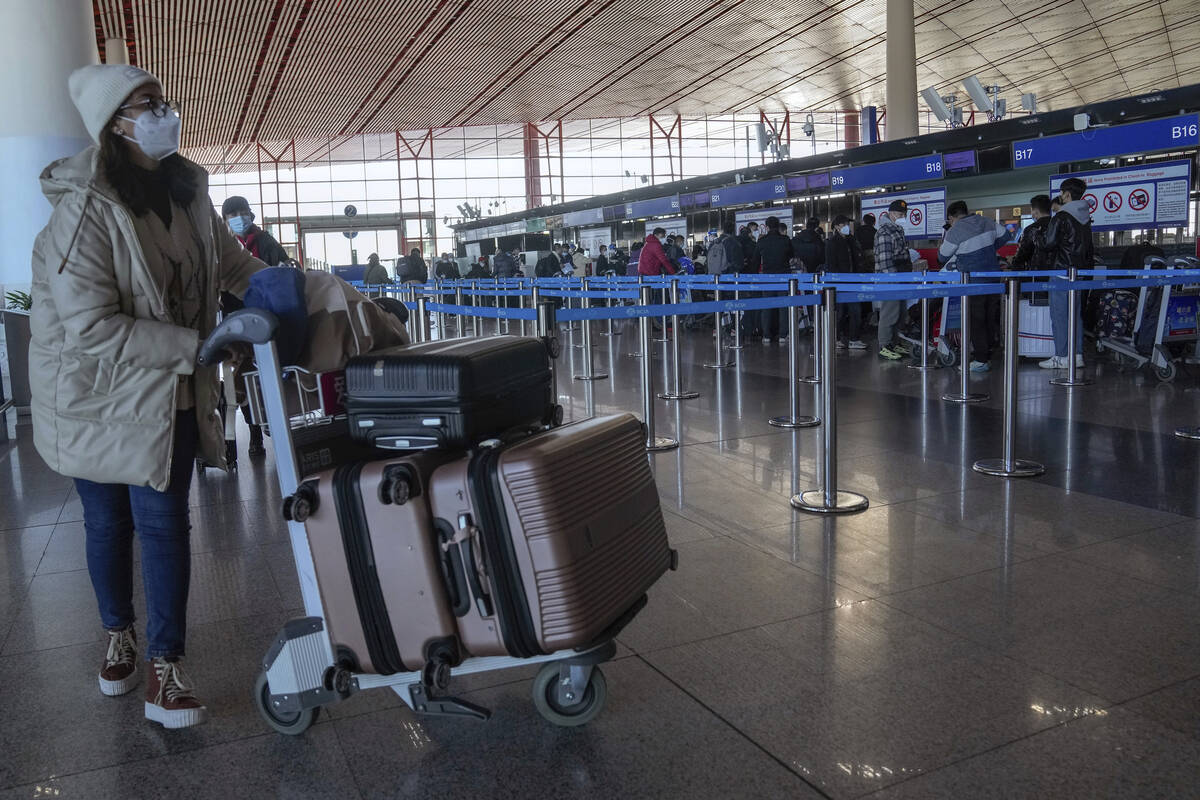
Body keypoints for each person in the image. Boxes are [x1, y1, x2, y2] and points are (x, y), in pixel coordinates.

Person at [30, 65, 270, 729]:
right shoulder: (84, 209)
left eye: (164, 100)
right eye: (145, 105)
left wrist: (283, 294)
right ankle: (119, 635)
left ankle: (167, 669)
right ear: (114, 123)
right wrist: (196, 349)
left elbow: (234, 264)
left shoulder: (189, 190)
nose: (163, 113)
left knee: (165, 524)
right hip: (95, 398)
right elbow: (90, 327)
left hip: (169, 393)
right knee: (108, 522)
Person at [938, 200, 1011, 371]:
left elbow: (942, 257)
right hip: (993, 278)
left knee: (976, 320)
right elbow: (1007, 235)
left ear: (951, 218)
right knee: (989, 317)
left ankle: (981, 360)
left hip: (972, 281)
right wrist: (989, 249)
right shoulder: (986, 221)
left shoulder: (955, 230)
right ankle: (988, 353)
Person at [1032, 177, 1093, 369]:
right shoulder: (1085, 217)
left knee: (1059, 316)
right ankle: (1077, 355)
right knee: (1076, 316)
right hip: (1079, 272)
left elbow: (1048, 244)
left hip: (1061, 272)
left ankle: (1062, 356)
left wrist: (1036, 235)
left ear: (1066, 194)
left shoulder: (1062, 216)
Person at [873, 199, 913, 360]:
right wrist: (893, 280)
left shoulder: (897, 230)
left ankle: (895, 342)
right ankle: (884, 345)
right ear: (890, 213)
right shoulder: (884, 232)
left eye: (904, 214)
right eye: (899, 214)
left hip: (901, 276)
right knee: (889, 313)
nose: (902, 216)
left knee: (900, 313)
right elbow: (884, 260)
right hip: (890, 279)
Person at [751, 216, 794, 343]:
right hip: (783, 277)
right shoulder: (785, 240)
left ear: (767, 227)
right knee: (783, 306)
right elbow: (792, 255)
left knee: (767, 307)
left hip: (767, 278)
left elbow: (755, 261)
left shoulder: (762, 242)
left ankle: (767, 335)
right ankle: (782, 334)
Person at [826, 215, 866, 349]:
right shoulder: (832, 243)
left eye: (848, 224)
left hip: (853, 280)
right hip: (839, 282)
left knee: (856, 311)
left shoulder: (851, 240)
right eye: (844, 224)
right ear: (837, 227)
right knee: (840, 312)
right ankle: (836, 338)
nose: (847, 227)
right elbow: (831, 264)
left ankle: (854, 339)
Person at [221, 196, 289, 266]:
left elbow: (283, 263)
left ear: (251, 216)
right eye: (233, 215)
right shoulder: (221, 244)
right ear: (225, 219)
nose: (240, 218)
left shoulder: (267, 240)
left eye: (244, 213)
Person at [1011, 195, 1054, 269]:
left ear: (1035, 211)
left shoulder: (1031, 229)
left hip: (1036, 272)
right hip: (1057, 271)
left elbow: (1023, 253)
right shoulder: (1059, 225)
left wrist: (1014, 263)